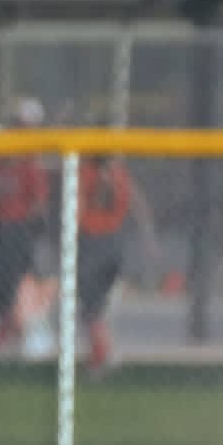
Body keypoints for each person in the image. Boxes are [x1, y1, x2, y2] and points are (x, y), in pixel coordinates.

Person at [0, 98, 52, 354]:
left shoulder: (31, 164)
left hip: (18, 231)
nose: (19, 132)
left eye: (26, 127)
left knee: (18, 285)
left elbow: (38, 204)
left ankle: (22, 335)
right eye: (17, 126)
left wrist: (25, 228)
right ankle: (7, 334)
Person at [75, 152, 155, 378]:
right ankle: (101, 353)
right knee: (95, 307)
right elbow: (137, 203)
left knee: (91, 308)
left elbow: (79, 206)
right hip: (115, 241)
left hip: (94, 241)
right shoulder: (119, 174)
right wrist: (148, 234)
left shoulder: (86, 172)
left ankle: (102, 356)